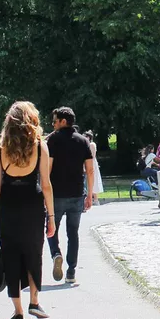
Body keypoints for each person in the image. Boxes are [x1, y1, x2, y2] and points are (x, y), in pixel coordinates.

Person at [0, 101, 56, 319]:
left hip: (8, 208)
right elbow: (46, 184)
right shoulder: (39, 146)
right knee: (34, 253)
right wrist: (51, 217)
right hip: (33, 207)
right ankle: (34, 301)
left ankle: (18, 309)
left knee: (11, 256)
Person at [45, 107, 96, 285]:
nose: (53, 124)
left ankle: (56, 254)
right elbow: (89, 170)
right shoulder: (83, 141)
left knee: (51, 229)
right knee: (73, 233)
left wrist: (45, 191)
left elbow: (47, 168)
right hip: (76, 194)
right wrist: (89, 194)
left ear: (63, 121)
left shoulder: (52, 140)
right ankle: (71, 271)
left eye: (55, 121)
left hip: (56, 195)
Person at [83, 130, 104, 203]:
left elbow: (92, 156)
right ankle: (91, 198)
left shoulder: (91, 144)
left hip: (91, 163)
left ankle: (95, 199)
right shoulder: (87, 144)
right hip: (89, 162)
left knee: (93, 180)